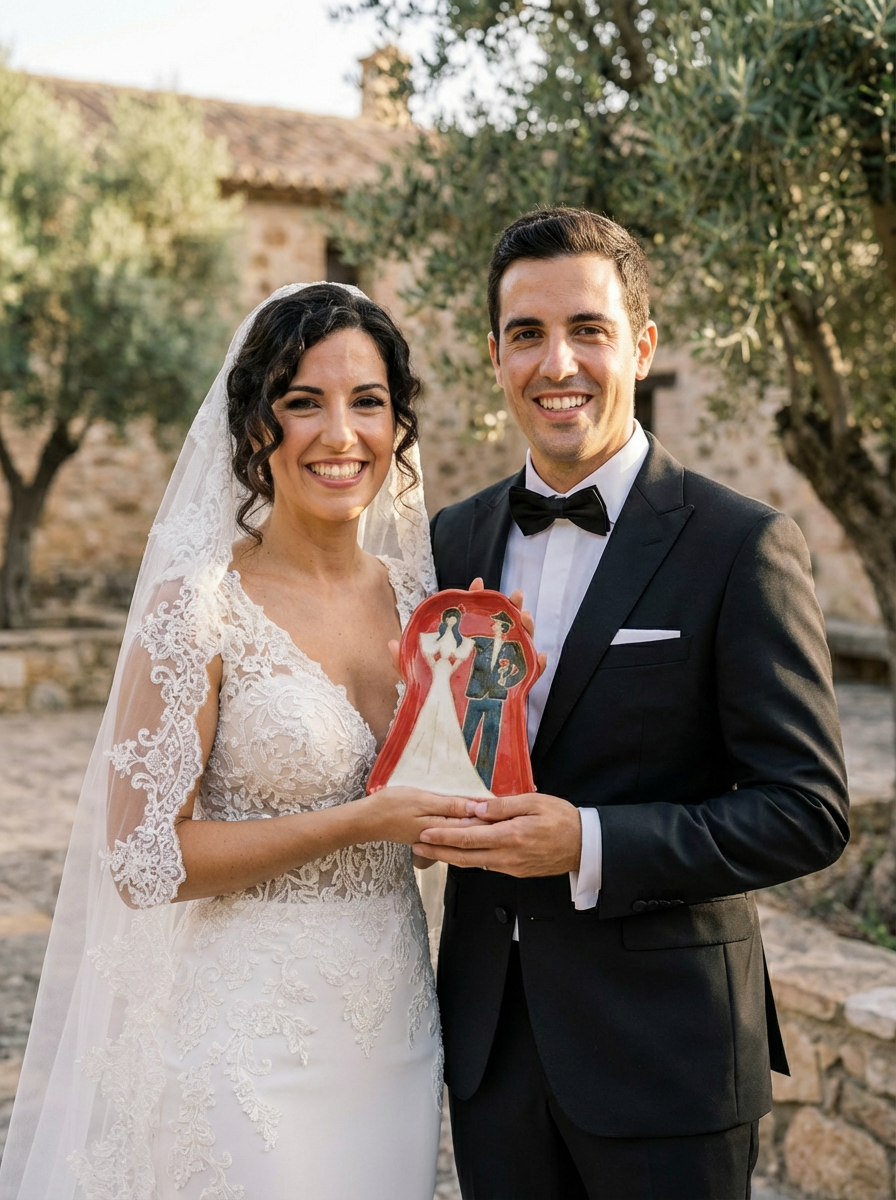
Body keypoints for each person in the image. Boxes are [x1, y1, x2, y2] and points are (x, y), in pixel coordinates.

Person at [0, 283, 473, 1200]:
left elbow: (435, 805)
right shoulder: (201, 610)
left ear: (397, 424)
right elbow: (142, 858)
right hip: (244, 1040)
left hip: (394, 1027)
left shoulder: (429, 609)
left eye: (367, 402)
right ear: (254, 424)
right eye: (304, 402)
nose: (341, 435)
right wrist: (361, 821)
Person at [416, 209, 850, 1200]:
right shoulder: (452, 540)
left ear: (641, 346)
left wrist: (590, 843)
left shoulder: (738, 545)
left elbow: (804, 812)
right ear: (493, 356)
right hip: (491, 1049)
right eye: (525, 334)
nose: (554, 361)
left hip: (668, 1053)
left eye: (588, 329)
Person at [389, 606, 493, 798]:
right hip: (438, 670)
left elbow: (461, 658)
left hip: (446, 672)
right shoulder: (436, 637)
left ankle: (447, 760)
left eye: (455, 620)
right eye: (449, 619)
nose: (452, 622)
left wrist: (450, 669)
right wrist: (433, 665)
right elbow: (428, 652)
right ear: (445, 620)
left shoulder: (458, 640)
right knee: (431, 706)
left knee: (446, 710)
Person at [462, 611, 528, 788]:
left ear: (503, 628)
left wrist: (507, 681)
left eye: (496, 624)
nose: (493, 626)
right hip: (476, 694)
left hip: (496, 696)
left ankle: (483, 782)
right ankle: (458, 775)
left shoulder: (513, 647)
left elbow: (522, 670)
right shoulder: (483, 642)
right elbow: (465, 639)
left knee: (489, 738)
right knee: (466, 735)